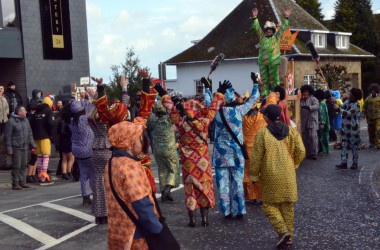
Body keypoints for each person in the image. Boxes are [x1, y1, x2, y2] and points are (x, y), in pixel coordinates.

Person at [156, 79, 228, 227]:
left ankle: (192, 219)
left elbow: (170, 109)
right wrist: (220, 92)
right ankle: (205, 218)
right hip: (203, 160)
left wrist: (163, 94)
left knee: (190, 190)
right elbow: (214, 107)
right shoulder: (204, 121)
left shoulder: (181, 123)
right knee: (205, 187)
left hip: (188, 162)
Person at [250, 104, 305, 248]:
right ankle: (290, 237)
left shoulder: (262, 134)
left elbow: (256, 158)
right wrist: (295, 164)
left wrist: (254, 176)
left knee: (268, 205)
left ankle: (283, 231)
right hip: (288, 173)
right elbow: (301, 150)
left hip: (270, 174)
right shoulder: (291, 131)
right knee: (287, 206)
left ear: (267, 118)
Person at [104, 119, 163, 249]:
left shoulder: (112, 162)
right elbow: (141, 203)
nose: (143, 142)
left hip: (117, 230)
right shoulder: (130, 167)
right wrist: (157, 229)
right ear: (129, 143)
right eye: (140, 139)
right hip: (136, 232)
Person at [210, 78, 260, 219]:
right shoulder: (239, 110)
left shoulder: (216, 112)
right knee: (238, 183)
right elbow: (254, 98)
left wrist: (209, 89)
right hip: (237, 154)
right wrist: (255, 83)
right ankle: (239, 211)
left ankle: (226, 211)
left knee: (223, 184)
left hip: (220, 155)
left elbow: (209, 104)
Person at [243, 92, 278, 204]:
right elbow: (271, 104)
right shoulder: (262, 118)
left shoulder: (242, 118)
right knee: (261, 172)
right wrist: (272, 94)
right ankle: (262, 196)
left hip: (246, 149)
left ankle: (250, 196)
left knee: (248, 173)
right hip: (259, 148)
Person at [251, 7, 291, 96]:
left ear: (273, 30)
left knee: (274, 78)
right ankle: (265, 94)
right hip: (263, 61)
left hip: (273, 60)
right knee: (264, 78)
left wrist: (286, 17)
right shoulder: (262, 37)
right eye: (267, 29)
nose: (268, 30)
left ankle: (276, 93)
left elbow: (282, 28)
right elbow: (257, 28)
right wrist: (255, 18)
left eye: (270, 29)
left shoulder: (276, 37)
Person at [147, 100, 180, 202]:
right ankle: (168, 188)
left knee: (162, 171)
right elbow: (175, 115)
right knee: (174, 169)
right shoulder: (169, 118)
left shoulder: (152, 118)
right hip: (169, 148)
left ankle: (164, 194)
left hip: (157, 149)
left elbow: (148, 126)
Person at [4, 105, 37, 190]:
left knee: (23, 165)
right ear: (19, 112)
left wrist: (33, 144)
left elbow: (30, 133)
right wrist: (9, 149)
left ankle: (22, 182)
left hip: (25, 146)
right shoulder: (11, 122)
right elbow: (7, 136)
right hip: (16, 147)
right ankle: (15, 183)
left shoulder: (26, 120)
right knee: (16, 166)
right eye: (24, 111)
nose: (26, 112)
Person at [69, 100, 94, 205]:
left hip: (77, 151)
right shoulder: (84, 119)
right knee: (93, 173)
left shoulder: (72, 122)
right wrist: (89, 98)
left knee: (83, 174)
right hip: (88, 150)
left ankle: (85, 196)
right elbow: (91, 109)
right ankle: (96, 194)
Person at [30, 97, 55, 184]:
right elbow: (51, 124)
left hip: (36, 137)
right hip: (45, 137)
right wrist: (52, 135)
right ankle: (44, 175)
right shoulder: (49, 111)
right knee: (46, 156)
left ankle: (40, 175)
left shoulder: (37, 111)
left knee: (39, 156)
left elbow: (32, 123)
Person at [336, 88, 363, 170]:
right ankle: (344, 163)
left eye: (350, 93)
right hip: (344, 128)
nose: (349, 94)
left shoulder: (357, 105)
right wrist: (334, 102)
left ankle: (355, 163)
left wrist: (338, 109)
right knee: (344, 145)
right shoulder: (347, 102)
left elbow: (348, 113)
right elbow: (341, 108)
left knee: (354, 147)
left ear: (354, 95)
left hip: (353, 129)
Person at [300, 85, 319, 160]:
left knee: (313, 136)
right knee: (305, 137)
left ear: (309, 93)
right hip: (304, 121)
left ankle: (314, 153)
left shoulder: (313, 99)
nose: (305, 95)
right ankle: (307, 152)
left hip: (312, 120)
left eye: (306, 93)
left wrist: (309, 108)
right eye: (304, 93)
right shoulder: (301, 100)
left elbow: (317, 106)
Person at [363, 84, 380, 149]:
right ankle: (372, 143)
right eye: (371, 90)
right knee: (371, 131)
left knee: (378, 130)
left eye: (374, 90)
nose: (372, 91)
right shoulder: (368, 99)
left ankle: (378, 143)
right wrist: (363, 113)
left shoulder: (379, 98)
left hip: (378, 117)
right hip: (370, 117)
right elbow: (364, 107)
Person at [314, 89, 330, 155]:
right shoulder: (322, 103)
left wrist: (322, 123)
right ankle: (321, 149)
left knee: (324, 137)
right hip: (322, 122)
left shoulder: (321, 104)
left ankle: (325, 150)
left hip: (323, 123)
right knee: (321, 137)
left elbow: (322, 114)